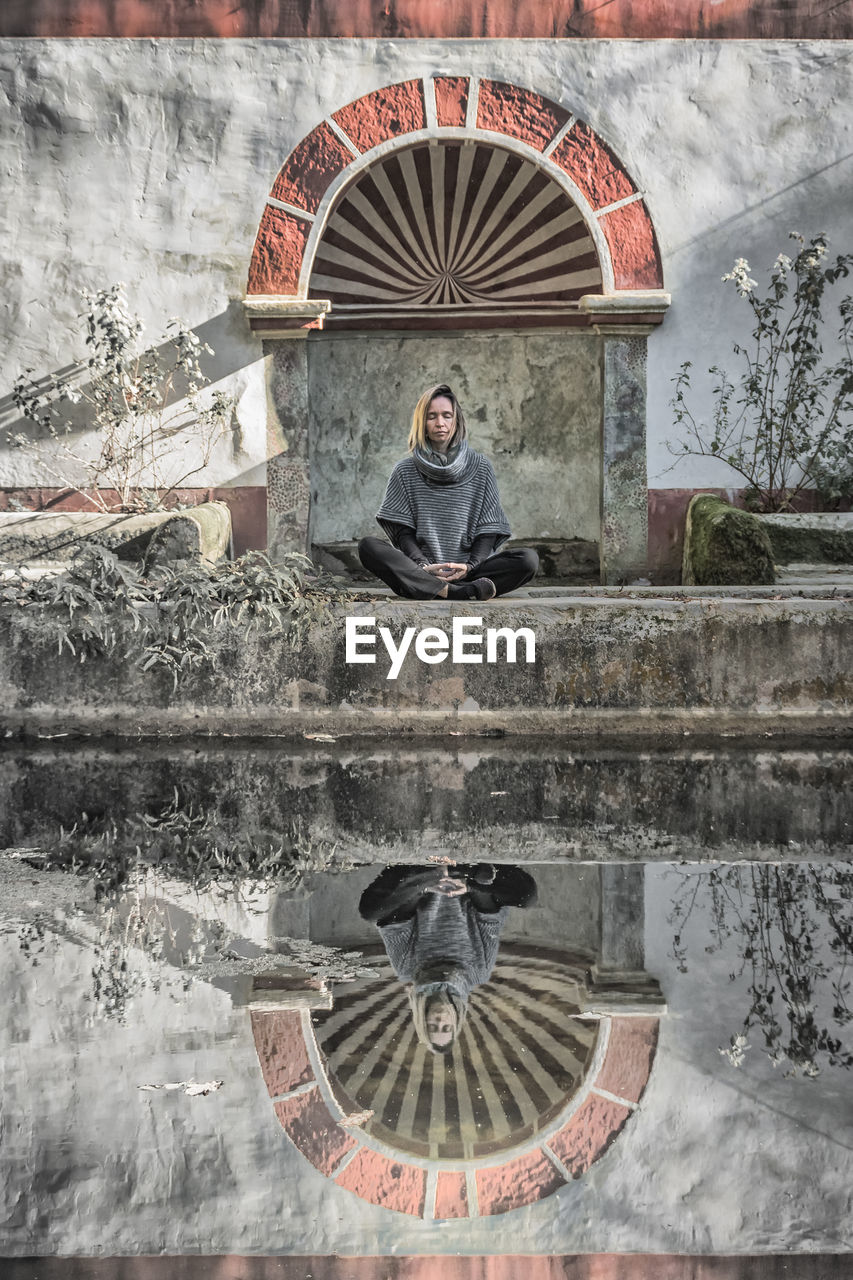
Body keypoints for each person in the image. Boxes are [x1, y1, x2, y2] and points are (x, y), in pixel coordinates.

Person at [358, 384, 539, 601]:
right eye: (431, 416)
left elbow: (488, 530)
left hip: (471, 572)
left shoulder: (481, 466)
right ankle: (459, 592)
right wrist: (423, 565)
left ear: (456, 420)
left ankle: (447, 588)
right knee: (368, 547)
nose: (440, 423)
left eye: (446, 415)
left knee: (528, 559)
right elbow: (403, 533)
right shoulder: (405, 471)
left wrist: (470, 566)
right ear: (422, 423)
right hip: (423, 572)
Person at [359, 862, 538, 1054]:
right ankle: (460, 868)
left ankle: (438, 870)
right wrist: (467, 885)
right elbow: (488, 914)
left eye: (433, 1027)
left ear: (422, 1020)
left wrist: (426, 886)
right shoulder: (479, 972)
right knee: (527, 898)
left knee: (370, 912)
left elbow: (397, 916)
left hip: (421, 874)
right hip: (469, 876)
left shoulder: (407, 969)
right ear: (456, 1019)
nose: (440, 1021)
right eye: (446, 1027)